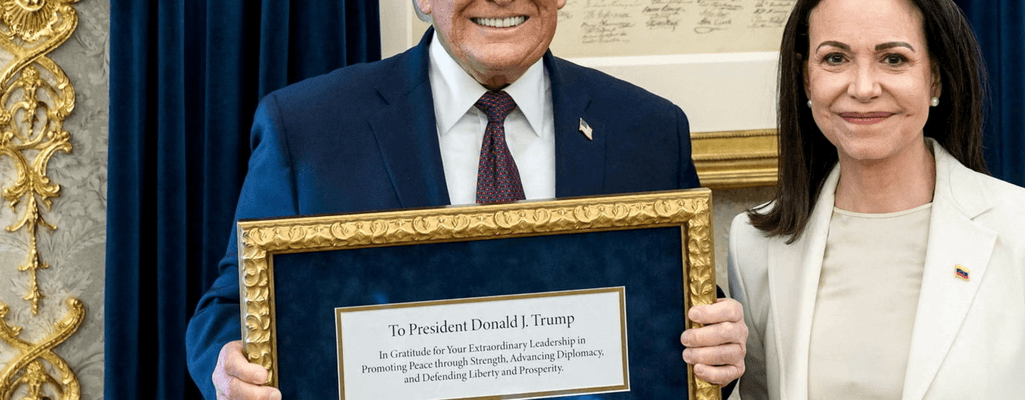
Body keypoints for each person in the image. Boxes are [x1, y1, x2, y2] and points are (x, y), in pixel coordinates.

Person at [184, 0, 748, 398]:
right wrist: (229, 370)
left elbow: (676, 310)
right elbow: (232, 306)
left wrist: (716, 351)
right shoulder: (309, 127)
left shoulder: (647, 128)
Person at [727, 0, 1025, 398]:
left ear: (935, 78)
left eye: (893, 59)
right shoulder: (753, 244)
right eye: (835, 58)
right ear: (805, 79)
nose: (863, 87)